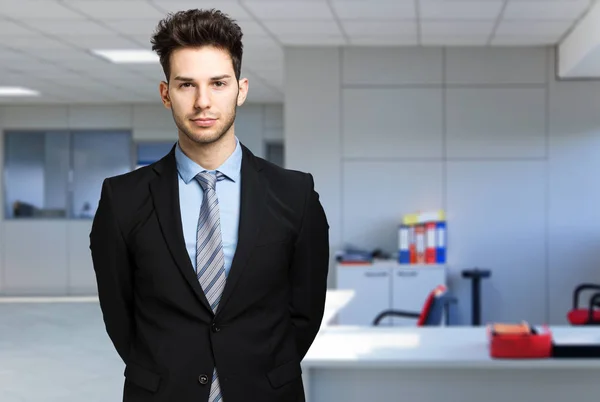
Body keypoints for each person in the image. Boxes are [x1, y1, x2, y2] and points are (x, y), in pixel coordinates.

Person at [89, 8, 330, 402]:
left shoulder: (295, 195)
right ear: (166, 94)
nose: (203, 101)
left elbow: (304, 314)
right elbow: (119, 314)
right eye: (187, 85)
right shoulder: (122, 199)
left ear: (241, 89)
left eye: (218, 83)